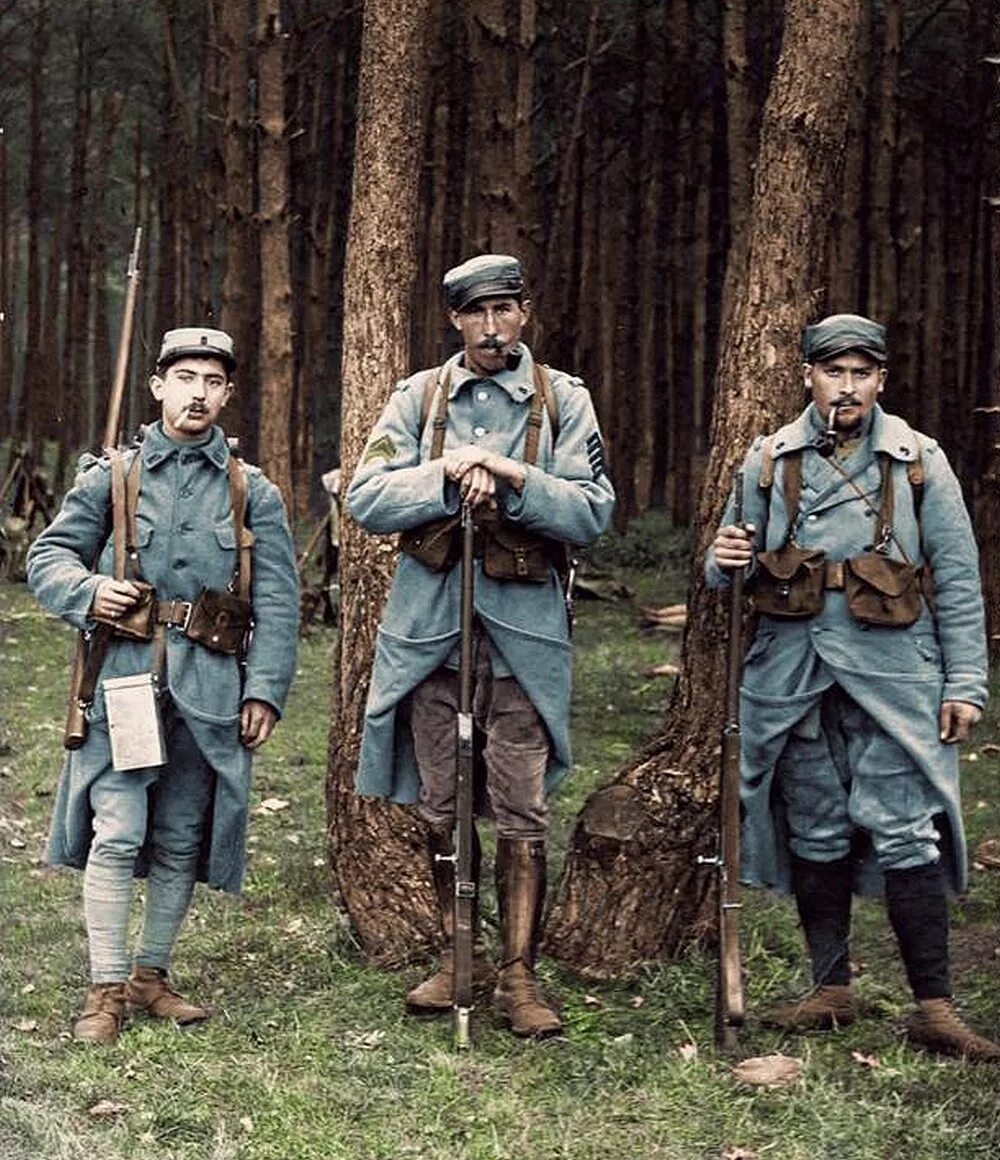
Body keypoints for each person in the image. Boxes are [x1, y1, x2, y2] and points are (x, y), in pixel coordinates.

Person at [706, 312, 1000, 1062]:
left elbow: (959, 580)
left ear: (880, 381)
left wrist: (965, 681)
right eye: (833, 371)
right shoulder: (770, 458)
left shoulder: (918, 461)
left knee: (903, 827)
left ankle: (934, 1007)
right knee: (817, 827)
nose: (847, 386)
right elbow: (730, 566)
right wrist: (723, 555)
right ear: (808, 375)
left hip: (894, 676)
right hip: (793, 675)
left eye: (861, 373)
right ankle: (831, 988)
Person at [347, 254, 615, 1037]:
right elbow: (367, 493)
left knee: (521, 808)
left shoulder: (563, 401)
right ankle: (459, 953)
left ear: (525, 313)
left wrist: (508, 474)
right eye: (478, 314)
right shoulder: (418, 398)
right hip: (429, 634)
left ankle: (521, 979)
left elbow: (592, 510)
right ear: (456, 321)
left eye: (506, 311)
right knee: (439, 804)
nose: (494, 328)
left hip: (524, 639)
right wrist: (447, 470)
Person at [27, 326, 299, 1044]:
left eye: (213, 382)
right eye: (186, 379)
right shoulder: (113, 476)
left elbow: (278, 601)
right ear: (158, 387)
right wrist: (88, 590)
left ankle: (151, 976)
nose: (198, 394)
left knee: (180, 836)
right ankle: (105, 987)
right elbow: (47, 556)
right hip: (124, 681)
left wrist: (264, 689)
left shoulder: (251, 490)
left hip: (209, 690)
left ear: (228, 393)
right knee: (118, 831)